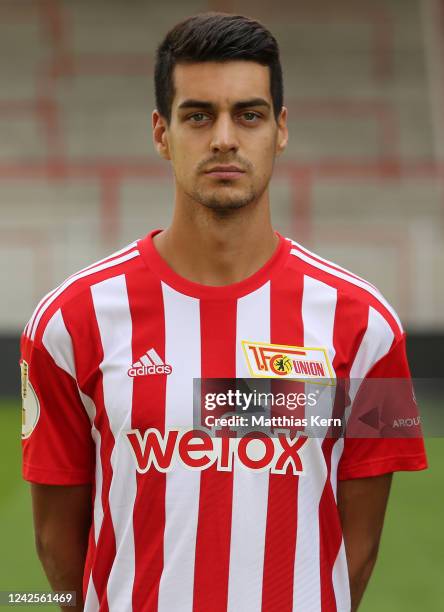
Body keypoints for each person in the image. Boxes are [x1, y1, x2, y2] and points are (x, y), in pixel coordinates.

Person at [20, 12, 427, 612]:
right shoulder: (68, 322)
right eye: (198, 115)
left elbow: (358, 548)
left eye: (249, 115)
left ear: (281, 129)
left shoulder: (369, 326)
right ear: (161, 132)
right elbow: (58, 545)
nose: (224, 139)